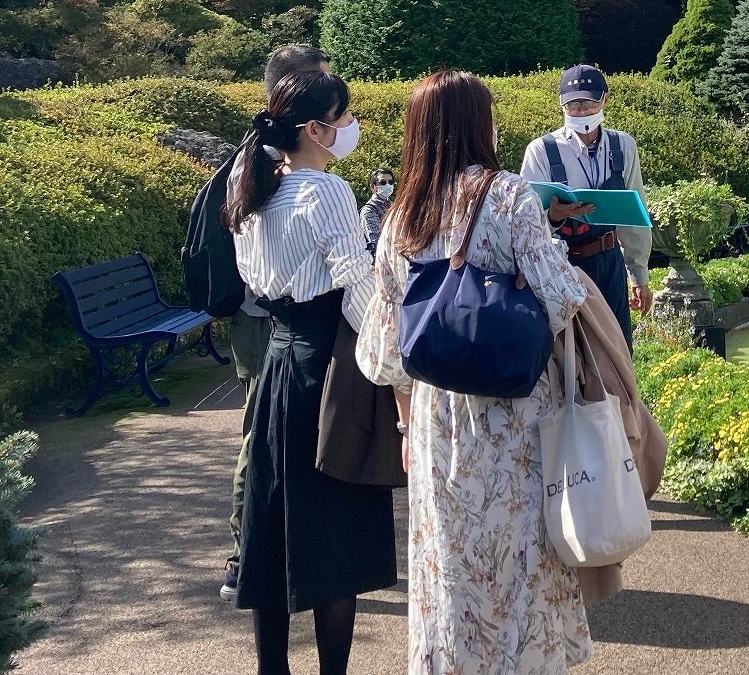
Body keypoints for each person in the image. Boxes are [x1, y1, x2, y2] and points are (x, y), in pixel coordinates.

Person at [357, 69, 593, 675]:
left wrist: (408, 426)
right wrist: (520, 287)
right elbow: (564, 298)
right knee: (519, 559)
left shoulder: (401, 215)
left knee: (450, 565)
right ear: (475, 125)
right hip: (513, 414)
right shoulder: (509, 196)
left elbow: (387, 349)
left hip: (438, 419)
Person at [227, 67, 397, 675]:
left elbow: (253, 283)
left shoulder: (251, 187)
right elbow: (356, 289)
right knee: (335, 536)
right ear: (316, 129)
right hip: (329, 367)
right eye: (343, 116)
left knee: (270, 527)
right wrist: (395, 362)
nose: (350, 126)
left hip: (277, 364)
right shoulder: (326, 190)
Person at [180, 41, 331, 603]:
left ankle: (276, 550)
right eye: (323, 85)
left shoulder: (265, 153)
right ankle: (245, 557)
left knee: (274, 437)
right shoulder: (264, 158)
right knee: (258, 437)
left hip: (269, 317)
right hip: (266, 320)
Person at [519, 64, 652, 348]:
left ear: (604, 100)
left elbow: (634, 217)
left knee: (618, 349)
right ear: (561, 104)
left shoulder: (623, 146)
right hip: (563, 264)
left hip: (609, 259)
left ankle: (623, 395)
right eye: (573, 104)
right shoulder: (541, 150)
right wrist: (554, 216)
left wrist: (639, 275)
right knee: (572, 354)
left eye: (589, 103)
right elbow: (524, 224)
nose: (581, 111)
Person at [359, 166, 395, 257]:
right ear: (373, 186)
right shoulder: (369, 210)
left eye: (390, 182)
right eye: (383, 182)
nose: (388, 185)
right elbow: (376, 242)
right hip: (383, 259)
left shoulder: (393, 205)